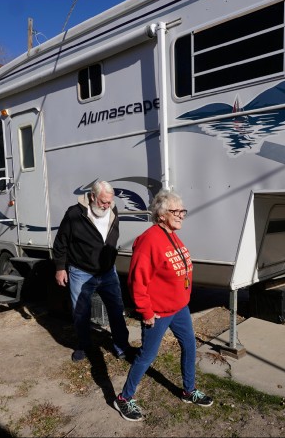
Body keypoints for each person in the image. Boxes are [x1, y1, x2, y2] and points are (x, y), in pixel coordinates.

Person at [113, 189, 213, 422]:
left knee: (189, 345)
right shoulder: (149, 240)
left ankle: (189, 391)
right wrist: (146, 311)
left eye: (182, 211)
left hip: (179, 308)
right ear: (160, 215)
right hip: (158, 311)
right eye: (175, 211)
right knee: (147, 356)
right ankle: (124, 398)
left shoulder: (171, 234)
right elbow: (137, 280)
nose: (181, 215)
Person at [53, 180, 132, 362]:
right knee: (81, 312)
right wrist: (60, 268)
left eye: (109, 202)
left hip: (107, 271)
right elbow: (61, 242)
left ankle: (122, 346)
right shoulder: (75, 213)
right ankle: (84, 346)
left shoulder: (112, 209)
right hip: (81, 271)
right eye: (103, 201)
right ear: (92, 196)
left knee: (116, 309)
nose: (106, 205)